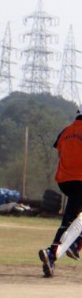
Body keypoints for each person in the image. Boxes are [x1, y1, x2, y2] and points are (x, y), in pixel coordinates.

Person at [39, 107, 82, 277]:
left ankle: (51, 256)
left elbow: (60, 153)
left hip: (64, 181)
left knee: (70, 220)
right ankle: (73, 243)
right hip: (80, 180)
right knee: (73, 222)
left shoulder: (66, 131)